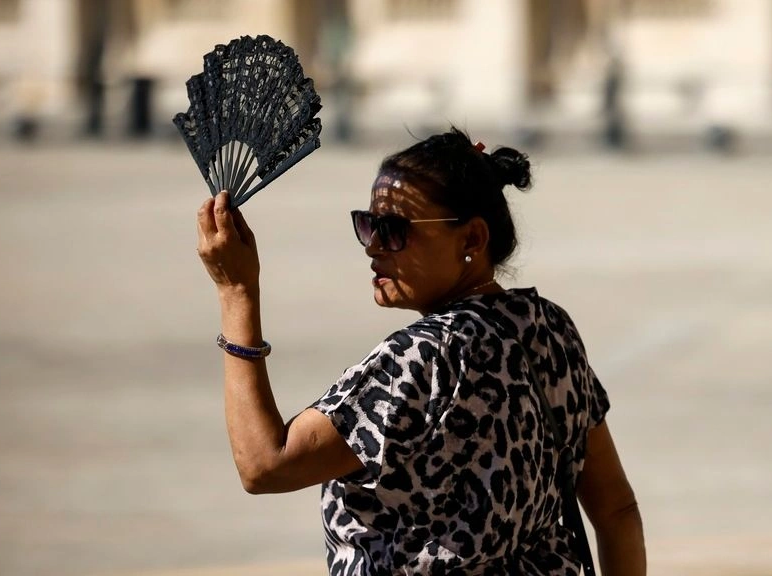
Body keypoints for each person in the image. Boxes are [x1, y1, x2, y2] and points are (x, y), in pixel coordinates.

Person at [196, 128, 646, 575]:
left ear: (471, 239)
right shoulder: (548, 328)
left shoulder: (425, 358)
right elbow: (616, 509)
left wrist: (237, 292)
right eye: (367, 224)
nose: (373, 246)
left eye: (394, 230)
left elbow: (263, 465)